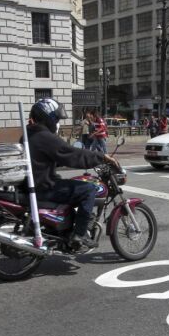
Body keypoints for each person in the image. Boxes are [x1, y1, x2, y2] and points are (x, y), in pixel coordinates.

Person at [24, 98, 117, 249]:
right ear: (47, 117)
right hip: (44, 187)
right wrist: (100, 157)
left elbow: (45, 158)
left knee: (73, 186)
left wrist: (60, 160)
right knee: (89, 189)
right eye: (56, 118)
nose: (57, 122)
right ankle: (79, 235)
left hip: (34, 185)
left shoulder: (30, 134)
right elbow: (71, 154)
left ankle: (67, 229)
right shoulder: (44, 137)